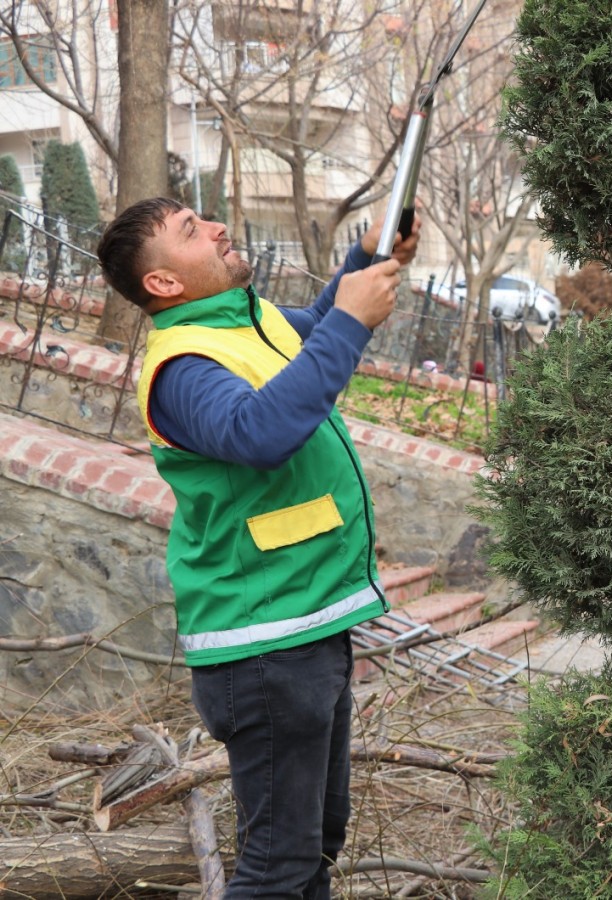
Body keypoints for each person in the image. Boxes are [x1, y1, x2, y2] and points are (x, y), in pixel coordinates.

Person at [96, 197, 420, 898]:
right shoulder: (184, 367)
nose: (215, 227)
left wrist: (364, 260)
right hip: (265, 645)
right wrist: (349, 318)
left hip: (305, 626)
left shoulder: (245, 322)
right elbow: (259, 434)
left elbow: (311, 342)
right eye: (190, 231)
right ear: (162, 284)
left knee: (315, 850)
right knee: (277, 868)